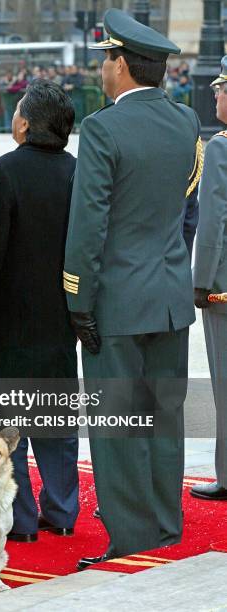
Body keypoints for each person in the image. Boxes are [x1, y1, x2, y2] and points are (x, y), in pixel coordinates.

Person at [64, 9, 202, 568]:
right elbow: (183, 210)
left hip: (116, 303)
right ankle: (164, 527)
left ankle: (132, 538)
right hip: (169, 298)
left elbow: (88, 224)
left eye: (105, 59)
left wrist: (78, 299)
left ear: (121, 65)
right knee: (162, 423)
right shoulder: (187, 122)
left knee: (118, 427)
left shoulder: (102, 128)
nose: (102, 69)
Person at [0, 79, 79, 541]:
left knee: (7, 428)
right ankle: (61, 513)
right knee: (56, 424)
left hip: (8, 322)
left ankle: (20, 521)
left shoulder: (2, 172)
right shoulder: (77, 171)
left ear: (24, 122)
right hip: (60, 318)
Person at [190, 56, 227, 502]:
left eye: (221, 88)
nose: (216, 94)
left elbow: (214, 221)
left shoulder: (220, 147)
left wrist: (201, 281)